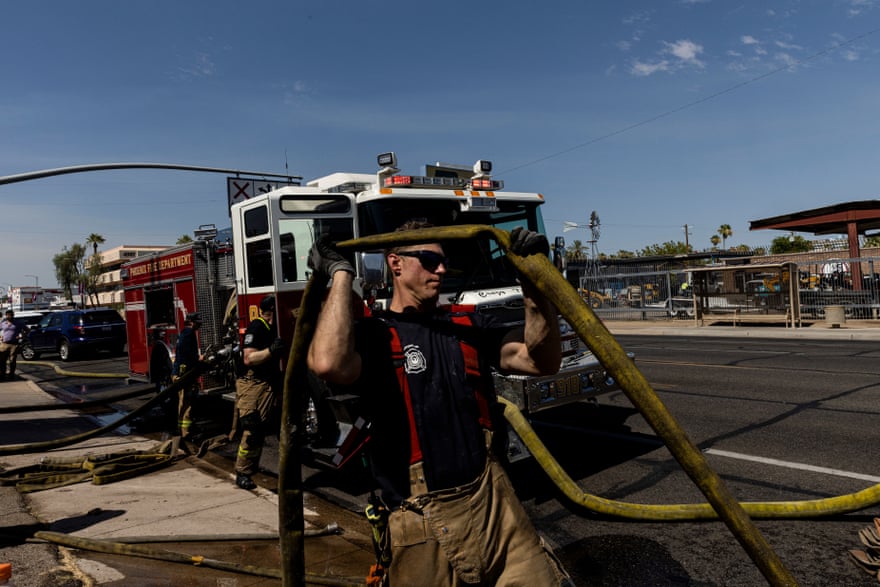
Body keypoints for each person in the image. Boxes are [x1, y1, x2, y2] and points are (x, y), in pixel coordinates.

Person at [307, 222, 572, 585]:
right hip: (419, 521)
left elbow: (541, 360)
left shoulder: (467, 324)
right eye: (430, 260)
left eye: (444, 261)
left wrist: (532, 282)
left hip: (495, 508)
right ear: (396, 264)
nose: (442, 270)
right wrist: (340, 275)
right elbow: (327, 363)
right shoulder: (375, 335)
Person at [233, 295, 285, 490]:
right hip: (251, 384)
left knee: (266, 428)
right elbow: (249, 358)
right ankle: (242, 473)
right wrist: (271, 351)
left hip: (268, 382)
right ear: (272, 310)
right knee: (252, 429)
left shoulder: (274, 328)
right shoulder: (257, 327)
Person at [172, 312, 203, 441]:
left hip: (181, 374)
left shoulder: (184, 332)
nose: (199, 325)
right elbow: (186, 352)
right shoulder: (189, 333)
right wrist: (198, 358)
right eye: (197, 322)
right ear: (191, 322)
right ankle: (186, 434)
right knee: (187, 404)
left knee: (183, 404)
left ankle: (182, 431)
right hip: (184, 375)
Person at [0, 310, 21, 380]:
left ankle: (11, 374)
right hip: (4, 344)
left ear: (13, 315)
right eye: (8, 315)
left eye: (11, 315)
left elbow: (27, 330)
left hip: (13, 345)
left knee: (12, 361)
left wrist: (21, 336)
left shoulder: (18, 323)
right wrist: (0, 337)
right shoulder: (3, 323)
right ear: (6, 316)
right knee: (2, 361)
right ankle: (2, 374)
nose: (10, 316)